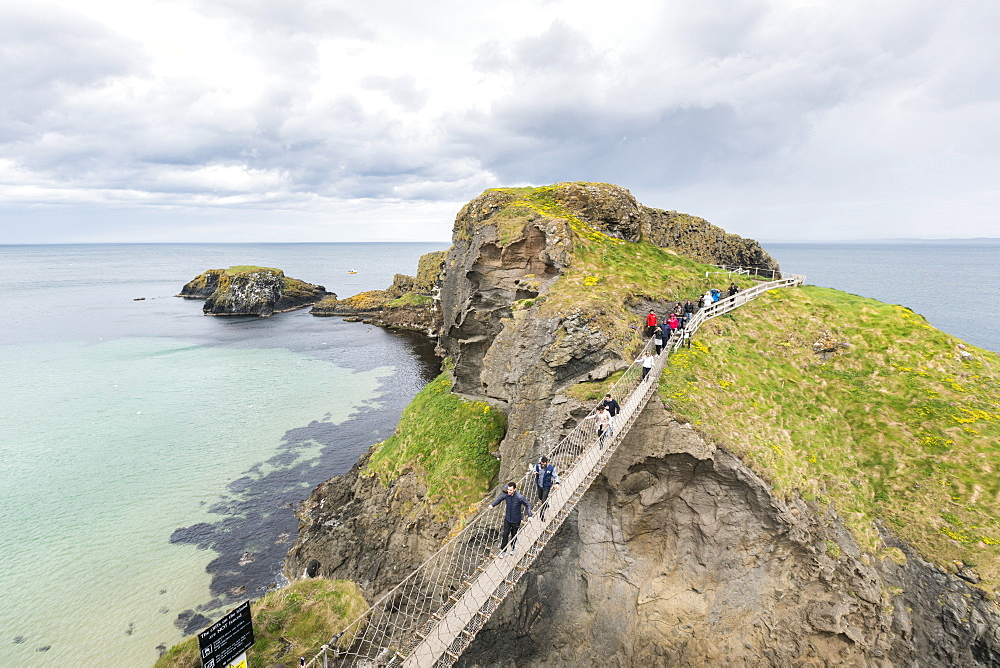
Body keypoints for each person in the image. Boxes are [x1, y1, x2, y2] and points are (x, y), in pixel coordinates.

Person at [491, 482, 532, 557]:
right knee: (505, 534)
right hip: (507, 518)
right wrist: (492, 505)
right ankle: (503, 551)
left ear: (515, 489)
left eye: (510, 490)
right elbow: (499, 500)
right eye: (508, 490)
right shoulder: (506, 494)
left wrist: (529, 515)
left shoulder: (520, 497)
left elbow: (528, 505)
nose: (509, 491)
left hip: (516, 520)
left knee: (514, 535)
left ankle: (513, 548)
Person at [533, 456, 560, 521]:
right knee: (540, 497)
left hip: (546, 486)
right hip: (539, 485)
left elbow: (555, 476)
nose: (542, 465)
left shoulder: (551, 468)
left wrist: (557, 483)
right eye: (541, 464)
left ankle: (541, 515)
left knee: (543, 501)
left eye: (543, 464)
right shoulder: (537, 466)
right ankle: (546, 504)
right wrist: (535, 472)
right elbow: (534, 470)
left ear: (546, 463)